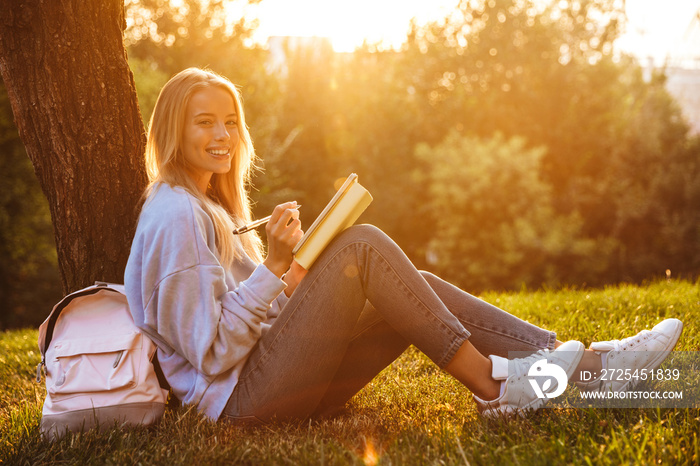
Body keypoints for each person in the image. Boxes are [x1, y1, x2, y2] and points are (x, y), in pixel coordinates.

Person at [124, 67, 683, 423]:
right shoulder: (175, 216)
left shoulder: (205, 206)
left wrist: (291, 274)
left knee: (412, 293)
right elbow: (214, 351)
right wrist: (273, 267)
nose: (222, 136)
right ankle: (494, 387)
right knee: (363, 247)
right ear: (174, 130)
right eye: (205, 123)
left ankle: (585, 366)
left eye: (229, 122)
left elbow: (244, 315)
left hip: (271, 384)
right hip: (242, 405)